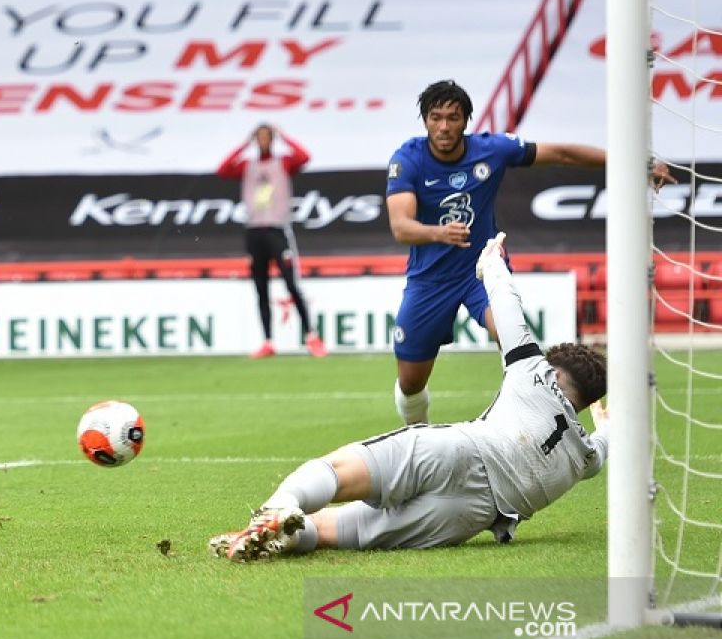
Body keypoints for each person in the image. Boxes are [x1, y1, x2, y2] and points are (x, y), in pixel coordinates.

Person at [210, 232, 610, 560]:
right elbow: (603, 447)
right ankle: (287, 537)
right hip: (471, 515)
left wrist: (492, 263)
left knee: (338, 471)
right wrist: (607, 427)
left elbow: (508, 309)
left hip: (463, 452)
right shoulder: (585, 457)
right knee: (347, 530)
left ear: (554, 372)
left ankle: (276, 509)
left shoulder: (534, 373)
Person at [384, 79, 674, 425]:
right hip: (429, 280)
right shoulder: (408, 159)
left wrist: (633, 163)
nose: (444, 126)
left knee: (511, 337)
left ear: (466, 120)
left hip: (482, 269)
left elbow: (562, 154)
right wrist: (438, 232)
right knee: (411, 383)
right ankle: (417, 434)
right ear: (425, 120)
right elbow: (401, 227)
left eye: (453, 117)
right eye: (436, 117)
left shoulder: (491, 150)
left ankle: (529, 425)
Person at [217, 124, 327, 359]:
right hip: (254, 231)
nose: (264, 141)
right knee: (261, 287)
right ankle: (268, 341)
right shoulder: (248, 166)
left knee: (290, 283)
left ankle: (311, 335)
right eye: (260, 137)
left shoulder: (283, 162)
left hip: (277, 230)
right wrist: (243, 145)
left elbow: (304, 157)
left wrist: (284, 136)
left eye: (268, 137)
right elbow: (223, 169)